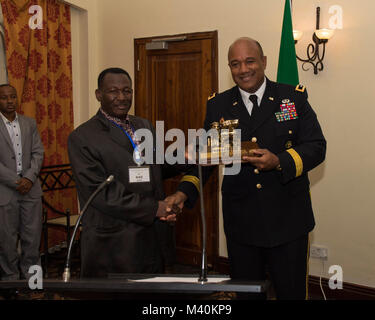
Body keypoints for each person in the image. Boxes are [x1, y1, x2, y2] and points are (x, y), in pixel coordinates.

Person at [167, 37, 327, 299]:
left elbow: (316, 146)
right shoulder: (218, 105)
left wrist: (279, 161)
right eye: (235, 64)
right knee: (246, 295)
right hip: (242, 224)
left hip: (288, 221)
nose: (243, 69)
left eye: (250, 61)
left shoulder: (292, 98)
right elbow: (207, 159)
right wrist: (183, 193)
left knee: (292, 293)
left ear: (263, 62)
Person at [68, 68, 182, 278]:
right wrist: (155, 208)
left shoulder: (143, 125)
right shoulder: (82, 137)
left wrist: (187, 157)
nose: (121, 97)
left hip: (151, 237)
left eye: (127, 91)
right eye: (113, 91)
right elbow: (102, 194)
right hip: (114, 242)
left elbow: (155, 168)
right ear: (98, 95)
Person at [0, 84, 44, 281]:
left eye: (13, 96)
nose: (10, 101)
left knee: (32, 238)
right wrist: (16, 181)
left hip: (31, 189)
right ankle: (9, 281)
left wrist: (28, 178)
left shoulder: (29, 123)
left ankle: (33, 281)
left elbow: (38, 152)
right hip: (5, 190)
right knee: (6, 240)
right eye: (4, 97)